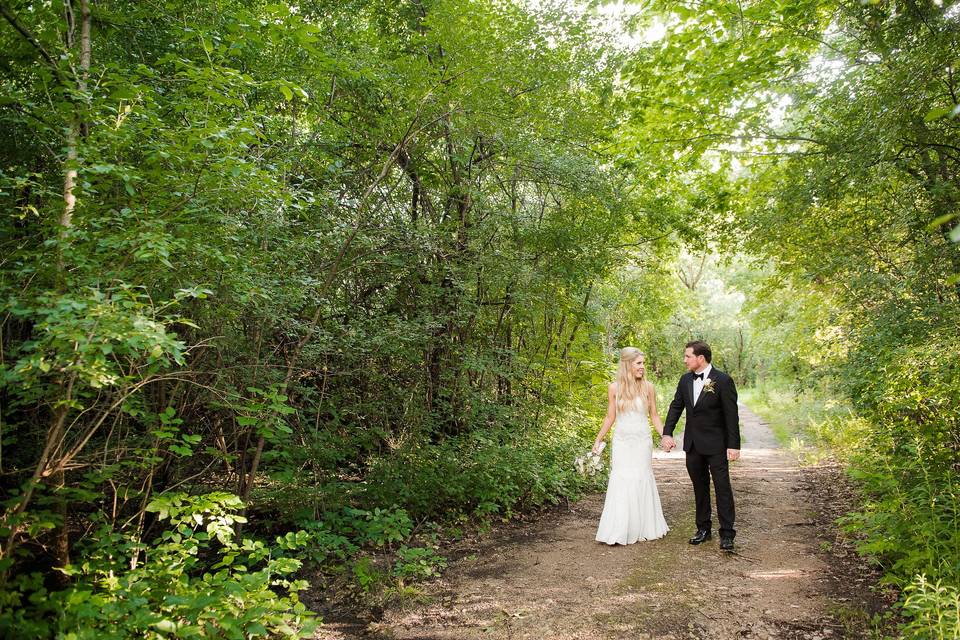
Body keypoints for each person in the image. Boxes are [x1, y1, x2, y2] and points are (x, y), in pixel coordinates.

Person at [661, 340, 740, 551]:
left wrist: (733, 445)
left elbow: (731, 416)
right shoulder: (685, 380)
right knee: (700, 488)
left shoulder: (723, 380)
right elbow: (676, 406)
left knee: (722, 488)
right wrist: (667, 432)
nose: (684, 360)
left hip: (717, 445)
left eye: (687, 356)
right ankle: (703, 529)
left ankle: (727, 534)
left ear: (700, 358)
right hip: (693, 445)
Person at [592, 347, 669, 545]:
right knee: (622, 478)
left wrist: (665, 435)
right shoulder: (614, 388)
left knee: (641, 476)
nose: (643, 367)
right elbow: (610, 416)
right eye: (639, 363)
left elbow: (654, 415)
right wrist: (599, 438)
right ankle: (619, 528)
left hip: (642, 440)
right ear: (627, 364)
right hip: (622, 441)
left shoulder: (648, 387)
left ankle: (643, 527)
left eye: (643, 363)